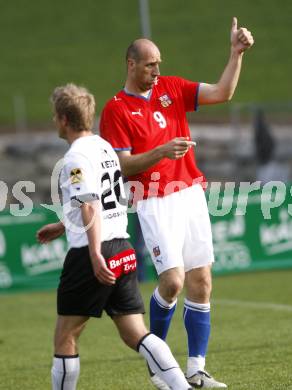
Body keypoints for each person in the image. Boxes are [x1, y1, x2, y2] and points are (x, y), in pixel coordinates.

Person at [100, 17, 254, 389]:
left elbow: (222, 93)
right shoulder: (116, 109)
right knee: (171, 282)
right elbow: (122, 164)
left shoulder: (171, 88)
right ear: (131, 64)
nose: (157, 71)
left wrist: (235, 54)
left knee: (201, 280)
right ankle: (159, 359)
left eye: (159, 64)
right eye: (150, 65)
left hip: (189, 193)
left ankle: (196, 369)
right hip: (152, 200)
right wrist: (162, 152)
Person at [36, 83, 193, 390]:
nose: (55, 121)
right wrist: (65, 224)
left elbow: (91, 202)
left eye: (55, 116)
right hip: (121, 245)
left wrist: (94, 252)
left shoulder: (75, 157)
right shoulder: (104, 147)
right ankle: (181, 387)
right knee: (135, 332)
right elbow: (103, 201)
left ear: (64, 120)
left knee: (66, 335)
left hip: (94, 252)